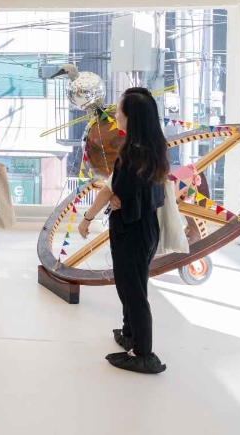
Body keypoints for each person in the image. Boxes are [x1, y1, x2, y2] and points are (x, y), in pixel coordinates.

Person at [78, 87, 168, 374]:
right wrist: (118, 195)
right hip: (145, 225)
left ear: (132, 117)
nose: (115, 114)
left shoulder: (132, 152)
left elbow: (109, 191)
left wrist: (87, 218)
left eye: (119, 111)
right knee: (132, 285)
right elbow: (128, 189)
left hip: (132, 228)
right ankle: (130, 334)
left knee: (133, 290)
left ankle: (143, 352)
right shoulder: (154, 146)